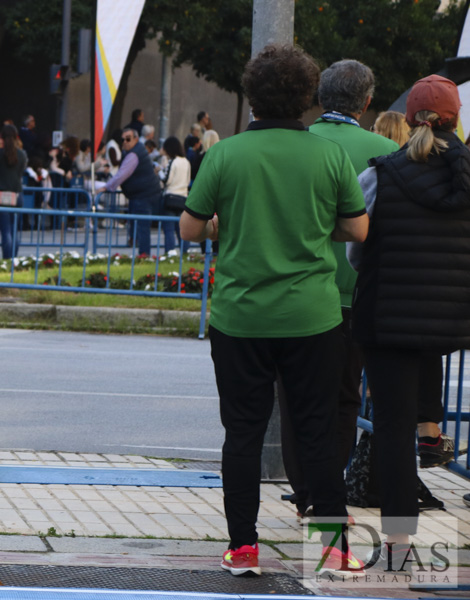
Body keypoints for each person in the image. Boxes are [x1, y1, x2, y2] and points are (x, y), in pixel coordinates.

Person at [179, 44, 368, 578]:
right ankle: (333, 547)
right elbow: (358, 229)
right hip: (313, 317)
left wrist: (223, 225)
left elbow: (190, 227)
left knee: (241, 433)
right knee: (316, 430)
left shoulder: (225, 155)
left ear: (252, 96)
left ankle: (243, 548)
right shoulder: (328, 156)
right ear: (308, 97)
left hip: (239, 318)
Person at [349, 74, 470, 566]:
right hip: (450, 319)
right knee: (423, 418)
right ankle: (436, 435)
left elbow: (358, 250)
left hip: (386, 317)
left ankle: (398, 541)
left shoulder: (380, 174)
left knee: (394, 427)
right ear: (455, 119)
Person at [280, 59, 400, 520]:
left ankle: (304, 487)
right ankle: (328, 487)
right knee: (345, 397)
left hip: (299, 292)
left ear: (318, 97)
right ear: (368, 102)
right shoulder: (382, 150)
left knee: (294, 396)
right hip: (355, 295)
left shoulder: (299, 143)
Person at [95, 128, 162, 258]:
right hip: (140, 193)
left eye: (128, 139)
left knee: (142, 225)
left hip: (143, 194)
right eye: (123, 139)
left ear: (136, 139)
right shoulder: (135, 150)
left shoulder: (134, 154)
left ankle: (144, 254)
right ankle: (136, 244)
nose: (125, 142)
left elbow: (122, 174)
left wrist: (107, 186)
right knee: (138, 222)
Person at [0, 124, 27, 259]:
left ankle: (7, 259)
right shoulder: (21, 154)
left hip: (1, 194)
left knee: (6, 231)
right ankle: (14, 259)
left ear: (2, 138)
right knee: (14, 230)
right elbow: (21, 173)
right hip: (17, 194)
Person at [159, 136, 190, 255]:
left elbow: (167, 180)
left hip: (170, 198)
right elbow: (187, 181)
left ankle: (170, 253)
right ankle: (185, 253)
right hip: (183, 198)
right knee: (182, 229)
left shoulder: (173, 161)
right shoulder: (186, 162)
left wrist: (159, 171)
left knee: (169, 229)